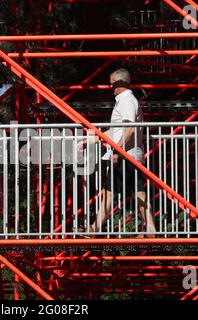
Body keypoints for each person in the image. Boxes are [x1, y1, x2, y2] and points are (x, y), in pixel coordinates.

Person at [78, 68, 156, 237]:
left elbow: (129, 129)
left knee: (125, 191)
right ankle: (149, 229)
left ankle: (95, 229)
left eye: (111, 83)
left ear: (120, 83)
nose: (110, 87)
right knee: (124, 191)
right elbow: (116, 131)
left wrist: (117, 150)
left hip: (125, 155)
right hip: (126, 154)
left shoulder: (126, 100)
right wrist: (89, 141)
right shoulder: (126, 101)